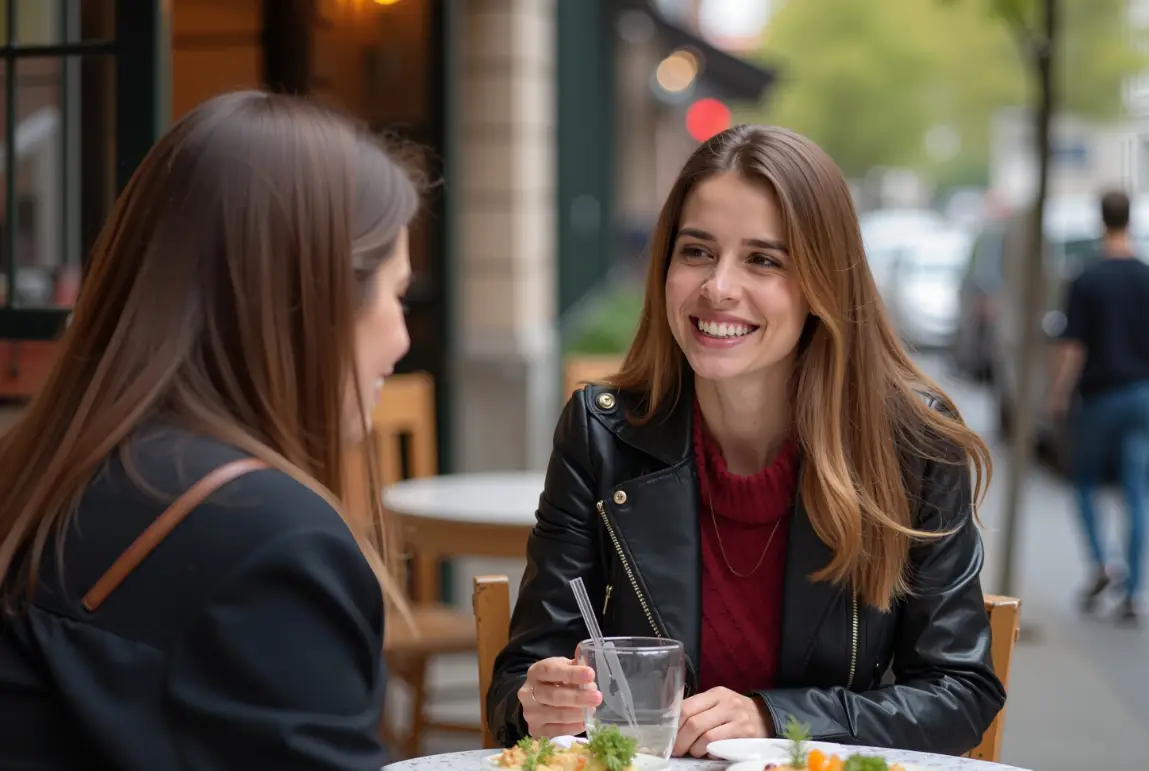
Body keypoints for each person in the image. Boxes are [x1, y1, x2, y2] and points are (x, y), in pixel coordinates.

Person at [487, 125, 1005, 757]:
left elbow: (958, 692)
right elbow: (520, 681)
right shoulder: (600, 436)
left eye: (763, 260)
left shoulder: (911, 448)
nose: (718, 288)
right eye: (697, 252)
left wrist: (774, 718)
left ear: (821, 282)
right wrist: (539, 702)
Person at [0, 90, 419, 769]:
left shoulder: (50, 467)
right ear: (309, 299)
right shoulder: (270, 542)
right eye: (395, 294)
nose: (401, 338)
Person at [1047, 189, 1149, 624]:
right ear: (1130, 221)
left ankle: (1101, 565)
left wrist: (1058, 393)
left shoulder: (1086, 278)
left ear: (1099, 220)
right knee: (1135, 489)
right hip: (1141, 394)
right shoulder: (1146, 276)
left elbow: (1073, 347)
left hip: (1100, 396)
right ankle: (1133, 591)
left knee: (1084, 482)